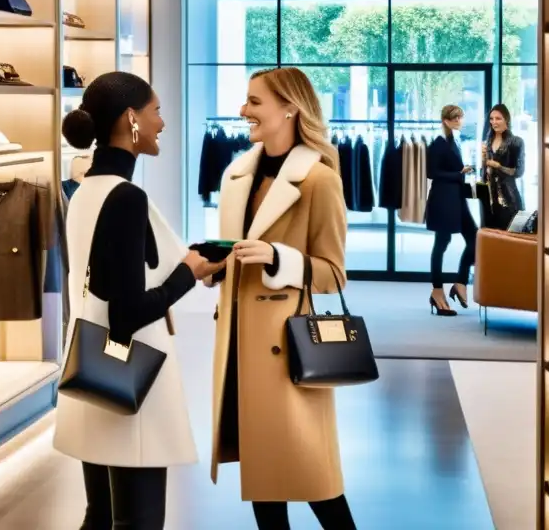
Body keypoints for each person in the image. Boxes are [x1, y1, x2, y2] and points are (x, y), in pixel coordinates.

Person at [53, 71, 220, 530]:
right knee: (136, 522)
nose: (162, 123)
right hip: (132, 382)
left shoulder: (85, 190)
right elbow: (126, 313)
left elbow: (107, 282)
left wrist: (185, 263)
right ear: (132, 119)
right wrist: (188, 274)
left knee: (102, 516)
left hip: (92, 370)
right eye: (156, 111)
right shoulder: (126, 197)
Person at [206, 67, 357, 530]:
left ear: (289, 107)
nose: (242, 110)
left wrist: (278, 258)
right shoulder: (238, 173)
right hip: (239, 343)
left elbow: (333, 274)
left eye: (254, 102)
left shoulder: (317, 180)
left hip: (287, 347)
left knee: (315, 479)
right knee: (264, 481)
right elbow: (238, 252)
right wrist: (216, 265)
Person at [425, 104, 477, 317]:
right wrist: (459, 173)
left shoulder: (452, 140)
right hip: (443, 200)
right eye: (455, 118)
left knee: (475, 238)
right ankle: (437, 291)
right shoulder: (439, 142)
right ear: (446, 120)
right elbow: (431, 172)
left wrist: (460, 172)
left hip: (456, 199)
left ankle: (460, 282)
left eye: (460, 118)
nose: (459, 121)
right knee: (442, 243)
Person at [480, 103, 526, 231]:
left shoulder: (516, 142)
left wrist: (499, 166)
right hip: (489, 201)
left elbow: (519, 172)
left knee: (509, 243)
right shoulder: (487, 142)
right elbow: (484, 176)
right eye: (491, 118)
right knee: (490, 241)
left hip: (509, 200)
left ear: (506, 119)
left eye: (498, 118)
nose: (494, 122)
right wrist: (483, 161)